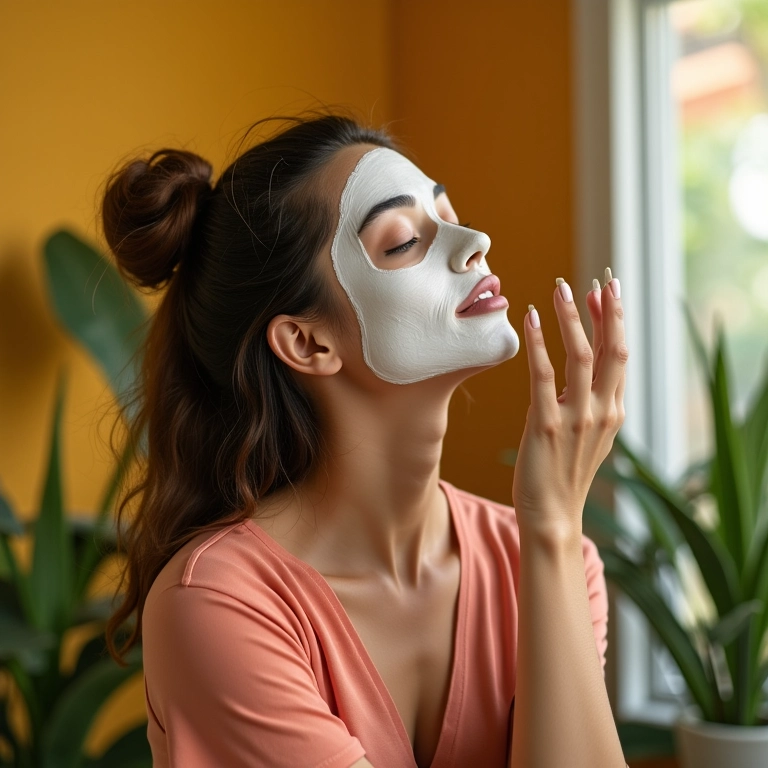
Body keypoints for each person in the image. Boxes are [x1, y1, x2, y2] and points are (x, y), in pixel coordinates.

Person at [103, 113, 629, 768]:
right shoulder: (216, 604)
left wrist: (551, 531)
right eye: (404, 241)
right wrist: (548, 529)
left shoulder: (555, 564)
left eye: (449, 214)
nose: (475, 241)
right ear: (307, 341)